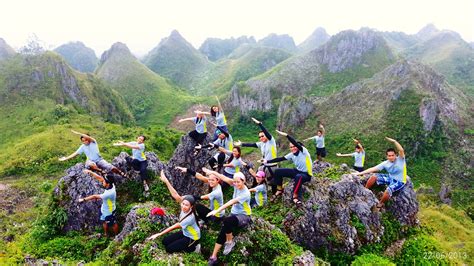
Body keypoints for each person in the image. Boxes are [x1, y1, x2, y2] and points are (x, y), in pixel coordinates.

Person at [203, 168, 252, 265]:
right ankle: (213, 257)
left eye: (238, 182)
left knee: (227, 221)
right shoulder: (235, 184)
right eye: (235, 182)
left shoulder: (246, 193)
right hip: (234, 214)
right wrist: (212, 172)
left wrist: (217, 210)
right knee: (223, 230)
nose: (236, 184)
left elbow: (231, 202)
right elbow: (223, 177)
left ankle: (230, 242)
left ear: (244, 181)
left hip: (244, 216)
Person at [146, 170, 200, 253]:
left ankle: (194, 248)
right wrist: (166, 181)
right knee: (165, 241)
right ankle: (187, 245)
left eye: (187, 205)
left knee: (169, 249)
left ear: (191, 206)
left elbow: (175, 226)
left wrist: (159, 234)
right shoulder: (184, 206)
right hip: (185, 232)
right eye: (183, 204)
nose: (184, 206)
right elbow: (175, 195)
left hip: (193, 237)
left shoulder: (190, 218)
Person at [355, 137, 407, 210]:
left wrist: (394, 141)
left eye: (393, 155)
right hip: (390, 178)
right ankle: (365, 190)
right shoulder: (385, 163)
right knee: (374, 176)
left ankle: (380, 203)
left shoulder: (401, 159)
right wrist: (359, 173)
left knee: (388, 190)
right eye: (389, 156)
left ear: (396, 155)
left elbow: (401, 150)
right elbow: (373, 169)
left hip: (400, 181)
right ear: (387, 156)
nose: (391, 157)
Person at [265, 130, 313, 205]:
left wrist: (287, 135)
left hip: (306, 174)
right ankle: (279, 189)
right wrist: (267, 161)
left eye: (294, 146)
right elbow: (280, 159)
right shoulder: (291, 154)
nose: (292, 148)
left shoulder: (304, 152)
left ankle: (295, 196)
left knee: (298, 177)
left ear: (298, 147)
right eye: (291, 147)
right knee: (278, 171)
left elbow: (294, 143)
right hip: (297, 171)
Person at [234, 117, 278, 193]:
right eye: (259, 137)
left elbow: (267, 133)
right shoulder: (261, 144)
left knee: (273, 181)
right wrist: (241, 144)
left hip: (272, 166)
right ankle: (255, 189)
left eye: (262, 136)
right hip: (264, 165)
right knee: (257, 176)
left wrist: (260, 124)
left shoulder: (271, 141)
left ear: (266, 136)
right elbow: (252, 144)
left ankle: (273, 194)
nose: (261, 138)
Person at [59, 130, 126, 177]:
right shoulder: (82, 147)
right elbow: (75, 153)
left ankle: (121, 173)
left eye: (86, 140)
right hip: (91, 160)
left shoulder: (93, 142)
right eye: (83, 141)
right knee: (90, 164)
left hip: (99, 159)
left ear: (89, 139)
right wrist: (66, 158)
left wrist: (79, 133)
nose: (85, 142)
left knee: (110, 167)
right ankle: (101, 171)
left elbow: (89, 138)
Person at [78, 169, 118, 237]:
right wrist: (90, 172)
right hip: (104, 209)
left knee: (113, 224)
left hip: (110, 211)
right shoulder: (111, 185)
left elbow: (94, 196)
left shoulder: (108, 194)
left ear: (107, 184)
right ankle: (106, 233)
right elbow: (100, 178)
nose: (102, 182)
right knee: (104, 221)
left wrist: (83, 199)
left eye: (104, 181)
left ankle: (117, 236)